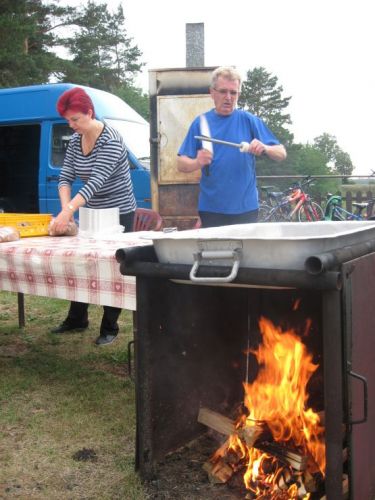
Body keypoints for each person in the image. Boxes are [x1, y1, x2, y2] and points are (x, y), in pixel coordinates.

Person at [50, 87, 136, 346]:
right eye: (68, 120)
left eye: (75, 119)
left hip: (119, 213)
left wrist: (67, 212)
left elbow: (95, 182)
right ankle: (77, 318)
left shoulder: (111, 139)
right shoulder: (75, 140)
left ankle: (109, 326)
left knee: (114, 268)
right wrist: (66, 211)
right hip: (92, 212)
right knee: (81, 263)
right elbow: (65, 177)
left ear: (90, 112)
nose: (71, 125)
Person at [177, 66, 287, 228]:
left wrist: (265, 147)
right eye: (223, 91)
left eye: (233, 92)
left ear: (238, 95)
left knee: (245, 253)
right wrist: (197, 162)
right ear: (212, 92)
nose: (228, 97)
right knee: (214, 253)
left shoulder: (249, 120)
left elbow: (281, 153)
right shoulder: (201, 123)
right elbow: (181, 164)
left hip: (246, 209)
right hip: (212, 209)